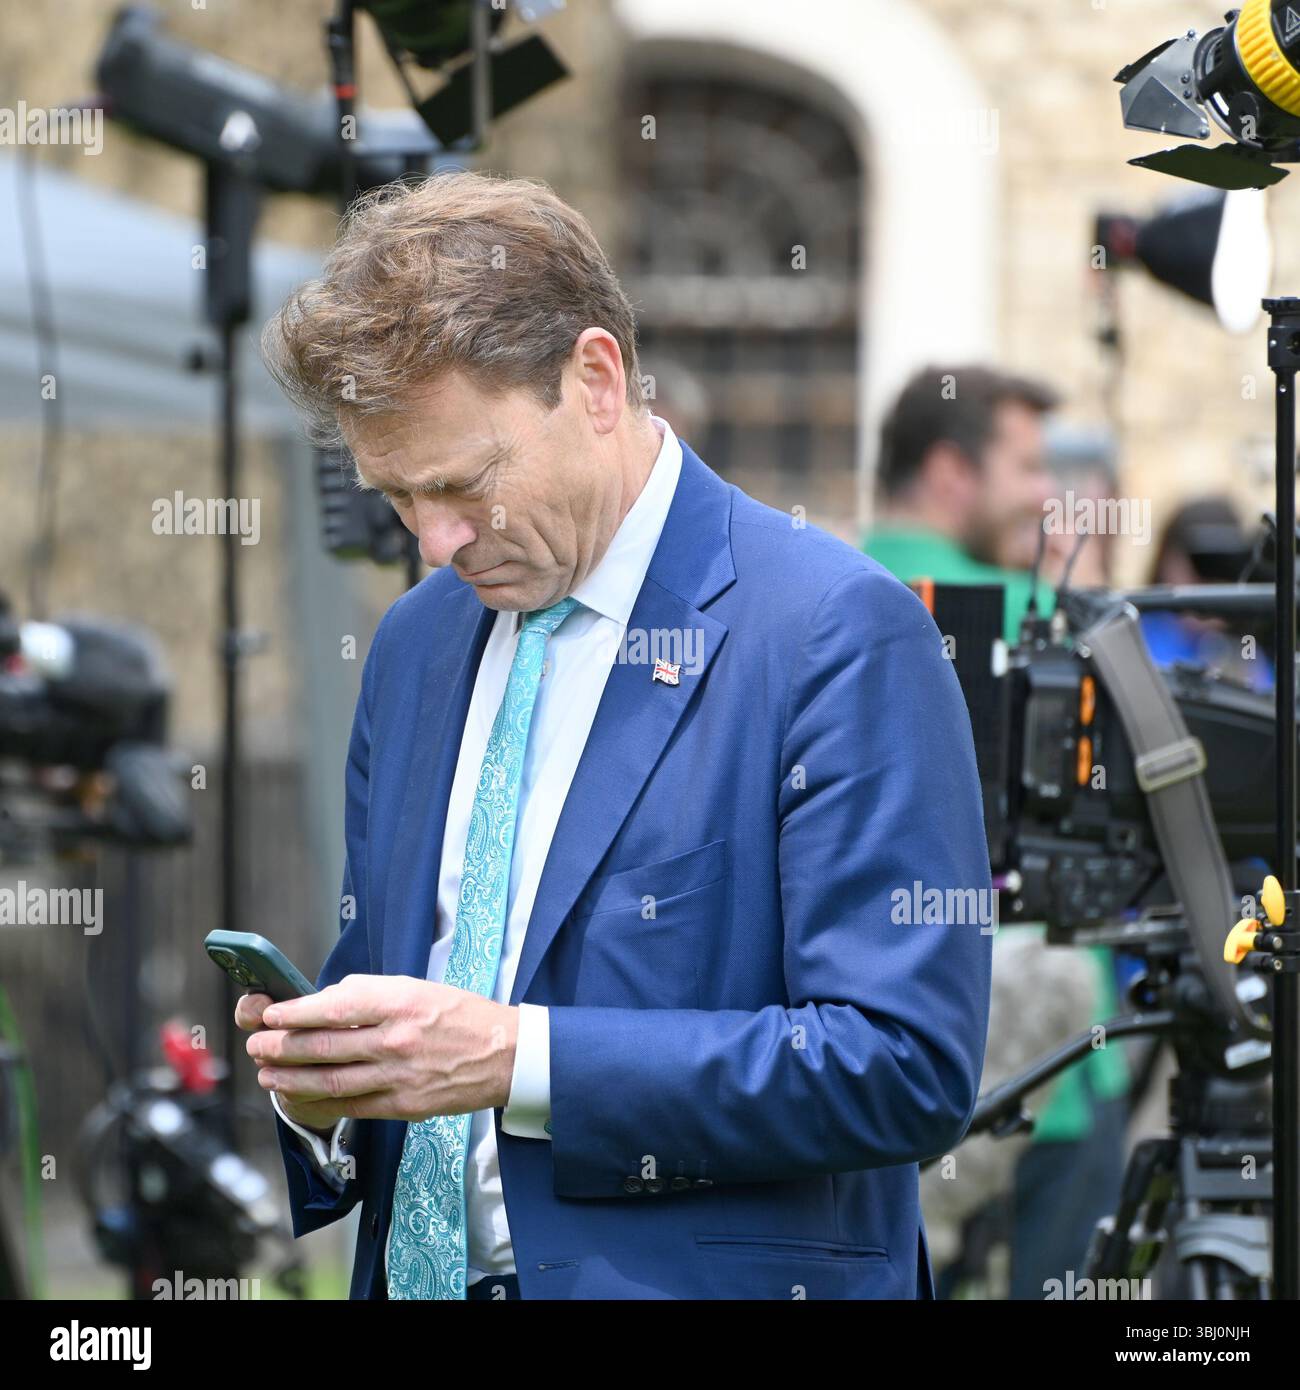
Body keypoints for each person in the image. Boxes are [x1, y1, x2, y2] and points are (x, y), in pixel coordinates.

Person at [235, 171, 993, 1301]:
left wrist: (517, 1060)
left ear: (594, 378)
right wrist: (324, 1091)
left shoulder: (834, 629)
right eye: (396, 496)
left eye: (463, 483)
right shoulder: (412, 644)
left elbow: (902, 1067)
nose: (437, 540)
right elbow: (402, 999)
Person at [864, 365, 1129, 1298]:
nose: (1047, 495)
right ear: (949, 471)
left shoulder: (830, 593)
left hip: (878, 1067)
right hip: (1048, 1083)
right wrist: (1092, 600)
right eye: (1027, 467)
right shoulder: (1022, 613)